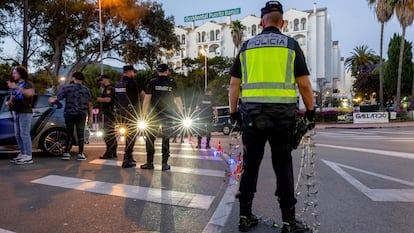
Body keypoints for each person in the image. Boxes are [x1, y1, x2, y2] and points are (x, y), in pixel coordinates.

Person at [228, 1, 315, 232]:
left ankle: (245, 217)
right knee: (283, 166)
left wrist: (234, 113)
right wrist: (311, 112)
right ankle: (289, 221)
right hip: (282, 118)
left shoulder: (246, 47)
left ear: (261, 22)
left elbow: (234, 85)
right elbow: (305, 85)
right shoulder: (291, 45)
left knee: (251, 165)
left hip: (251, 117)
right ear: (282, 22)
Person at [141, 63, 183, 171]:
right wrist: (182, 114)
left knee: (150, 139)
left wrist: (143, 115)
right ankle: (164, 164)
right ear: (167, 71)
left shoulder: (152, 83)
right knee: (166, 139)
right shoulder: (171, 83)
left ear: (157, 71)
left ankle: (149, 162)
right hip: (168, 115)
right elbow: (178, 100)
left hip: (153, 116)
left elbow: (146, 100)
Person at [49, 71, 93, 161]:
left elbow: (58, 98)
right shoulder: (86, 90)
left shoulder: (67, 88)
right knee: (80, 133)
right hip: (81, 114)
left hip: (69, 113)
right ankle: (80, 153)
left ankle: (66, 152)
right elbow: (90, 104)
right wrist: (91, 116)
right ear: (82, 80)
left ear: (74, 78)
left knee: (69, 133)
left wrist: (52, 100)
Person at [114, 65, 145, 168]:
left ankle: (129, 157)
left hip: (121, 113)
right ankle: (127, 159)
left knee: (127, 135)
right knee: (131, 137)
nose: (134, 74)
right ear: (130, 72)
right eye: (133, 72)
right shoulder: (132, 83)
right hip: (132, 113)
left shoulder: (118, 84)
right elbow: (142, 95)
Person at [7, 66, 35, 165]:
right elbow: (12, 97)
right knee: (18, 134)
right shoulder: (16, 84)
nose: (13, 75)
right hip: (16, 111)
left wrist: (16, 87)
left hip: (25, 112)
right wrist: (9, 102)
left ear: (20, 73)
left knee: (24, 134)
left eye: (15, 73)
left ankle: (29, 155)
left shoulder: (28, 83)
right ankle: (23, 153)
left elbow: (29, 94)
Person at [96, 74, 117, 159]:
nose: (100, 83)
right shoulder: (106, 89)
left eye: (101, 81)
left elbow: (108, 100)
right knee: (111, 134)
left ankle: (109, 153)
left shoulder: (109, 89)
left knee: (107, 134)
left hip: (109, 114)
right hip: (109, 114)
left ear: (105, 80)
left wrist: (97, 99)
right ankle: (113, 152)